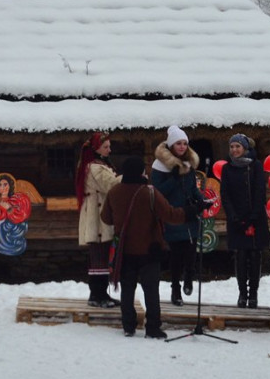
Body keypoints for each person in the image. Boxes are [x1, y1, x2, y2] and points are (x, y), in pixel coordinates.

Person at [101, 156, 196, 338]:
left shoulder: (114, 192)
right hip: (150, 250)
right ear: (140, 172)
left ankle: (128, 326)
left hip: (125, 250)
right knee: (151, 290)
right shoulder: (150, 193)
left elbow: (106, 218)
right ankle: (152, 327)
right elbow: (170, 215)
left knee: (127, 289)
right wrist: (191, 211)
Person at [151, 125, 205, 306]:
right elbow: (157, 192)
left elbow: (192, 188)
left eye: (184, 143)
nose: (182, 147)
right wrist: (174, 178)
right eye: (178, 143)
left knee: (191, 252)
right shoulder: (160, 167)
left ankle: (189, 276)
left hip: (190, 214)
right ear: (171, 145)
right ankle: (176, 289)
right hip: (172, 214)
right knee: (176, 255)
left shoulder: (188, 164)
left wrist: (202, 200)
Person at [219, 133, 268, 308]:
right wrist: (233, 215)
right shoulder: (227, 168)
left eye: (237, 146)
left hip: (255, 218)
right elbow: (225, 194)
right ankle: (242, 293)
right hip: (236, 219)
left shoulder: (255, 166)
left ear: (245, 148)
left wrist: (253, 216)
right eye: (232, 147)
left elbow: (260, 191)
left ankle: (253, 294)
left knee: (254, 255)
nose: (234, 150)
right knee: (240, 256)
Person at [75, 132, 121, 308]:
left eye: (109, 146)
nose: (109, 150)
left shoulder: (98, 165)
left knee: (101, 255)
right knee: (99, 257)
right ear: (97, 149)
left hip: (99, 214)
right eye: (106, 147)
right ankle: (97, 295)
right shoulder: (95, 168)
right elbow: (111, 185)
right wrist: (131, 177)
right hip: (97, 216)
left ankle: (101, 294)